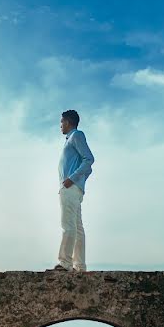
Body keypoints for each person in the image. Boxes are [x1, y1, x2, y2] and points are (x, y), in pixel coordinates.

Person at [50, 109, 94, 272]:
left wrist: (72, 179)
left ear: (68, 122)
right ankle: (79, 266)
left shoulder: (76, 135)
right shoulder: (71, 139)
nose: (60, 125)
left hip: (70, 187)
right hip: (73, 187)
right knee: (77, 227)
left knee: (68, 225)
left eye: (61, 122)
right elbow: (88, 168)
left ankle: (65, 263)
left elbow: (89, 159)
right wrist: (79, 181)